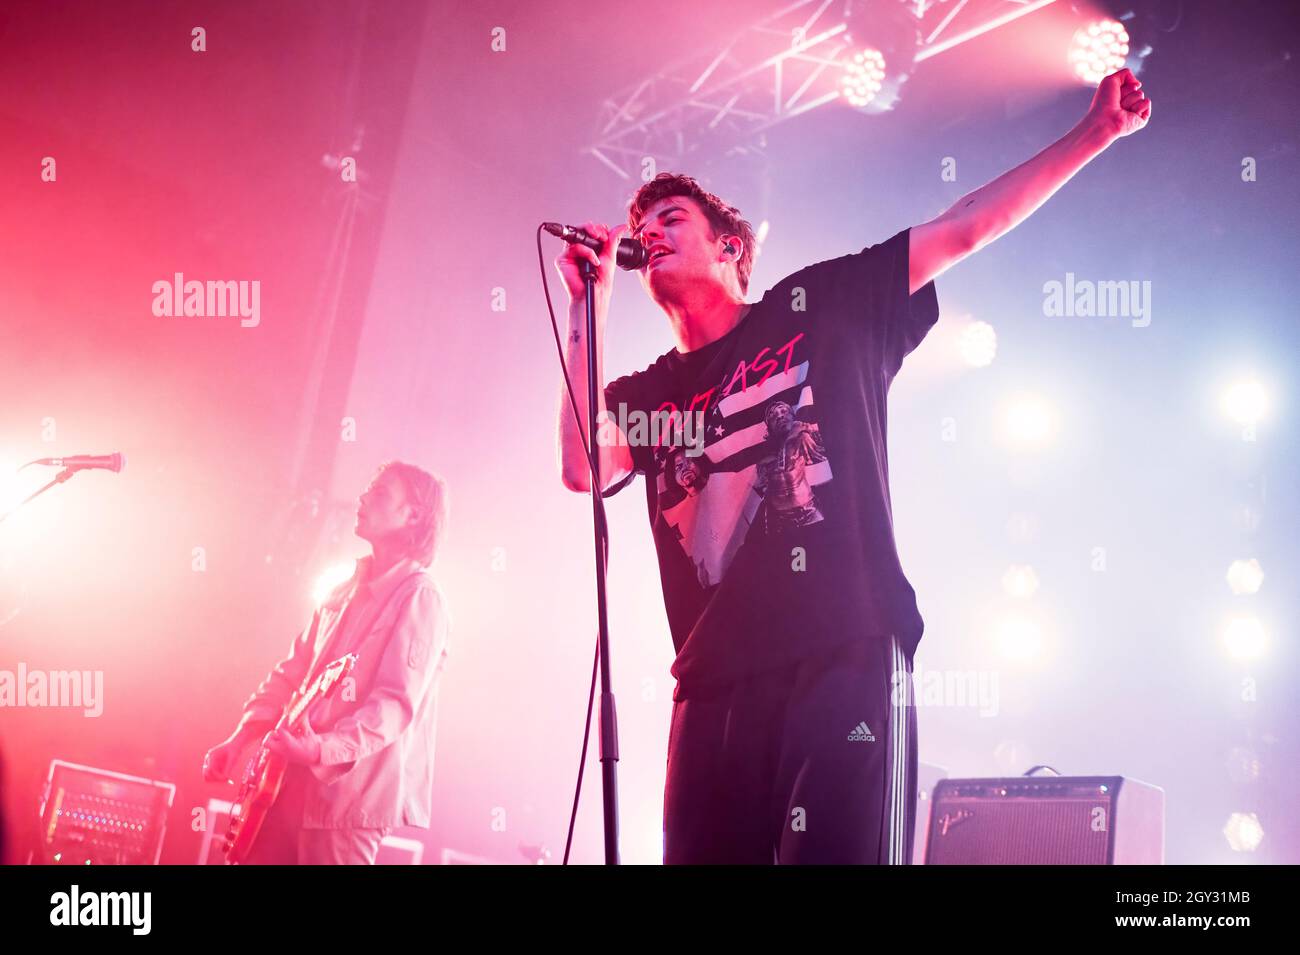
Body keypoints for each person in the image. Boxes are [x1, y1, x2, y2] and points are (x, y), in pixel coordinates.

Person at [554, 70, 1150, 863]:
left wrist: (1093, 134)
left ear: (730, 247)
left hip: (843, 650)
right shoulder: (651, 391)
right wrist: (583, 305)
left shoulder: (821, 305)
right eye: (642, 225)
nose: (650, 232)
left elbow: (963, 225)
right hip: (712, 683)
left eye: (671, 217)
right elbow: (580, 464)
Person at [202, 461, 450, 864]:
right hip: (283, 784)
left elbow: (393, 707)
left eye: (381, 493)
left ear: (413, 515)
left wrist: (320, 750)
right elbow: (292, 673)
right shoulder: (345, 588)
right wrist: (242, 736)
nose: (364, 498)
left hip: (347, 807)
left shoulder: (420, 598)